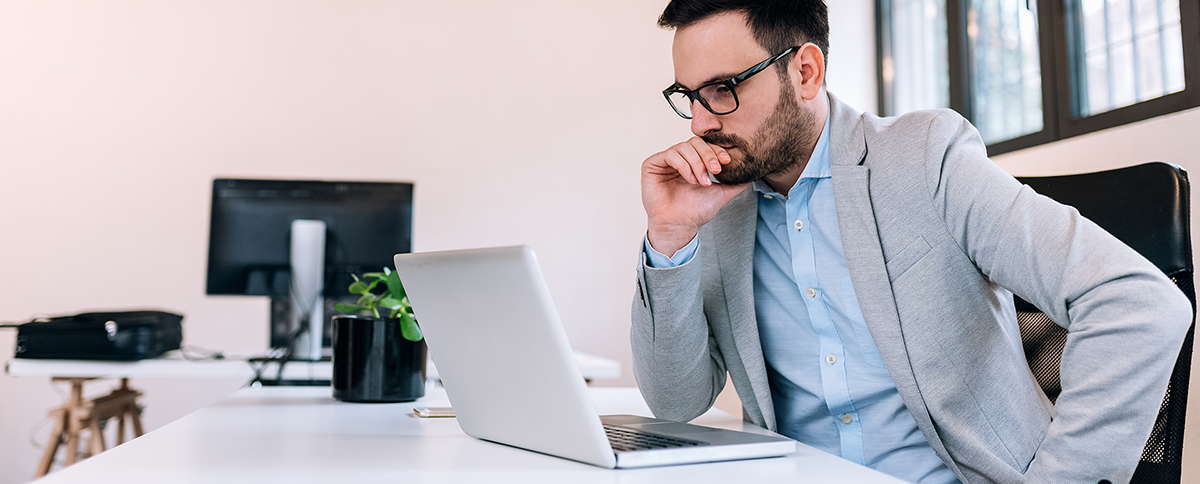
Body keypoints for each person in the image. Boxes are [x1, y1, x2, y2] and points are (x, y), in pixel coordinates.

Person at [629, 1, 1192, 483]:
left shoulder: (925, 158)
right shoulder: (722, 208)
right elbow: (678, 401)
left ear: (804, 71)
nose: (701, 122)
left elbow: (1139, 304)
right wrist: (670, 237)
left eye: (723, 89)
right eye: (690, 95)